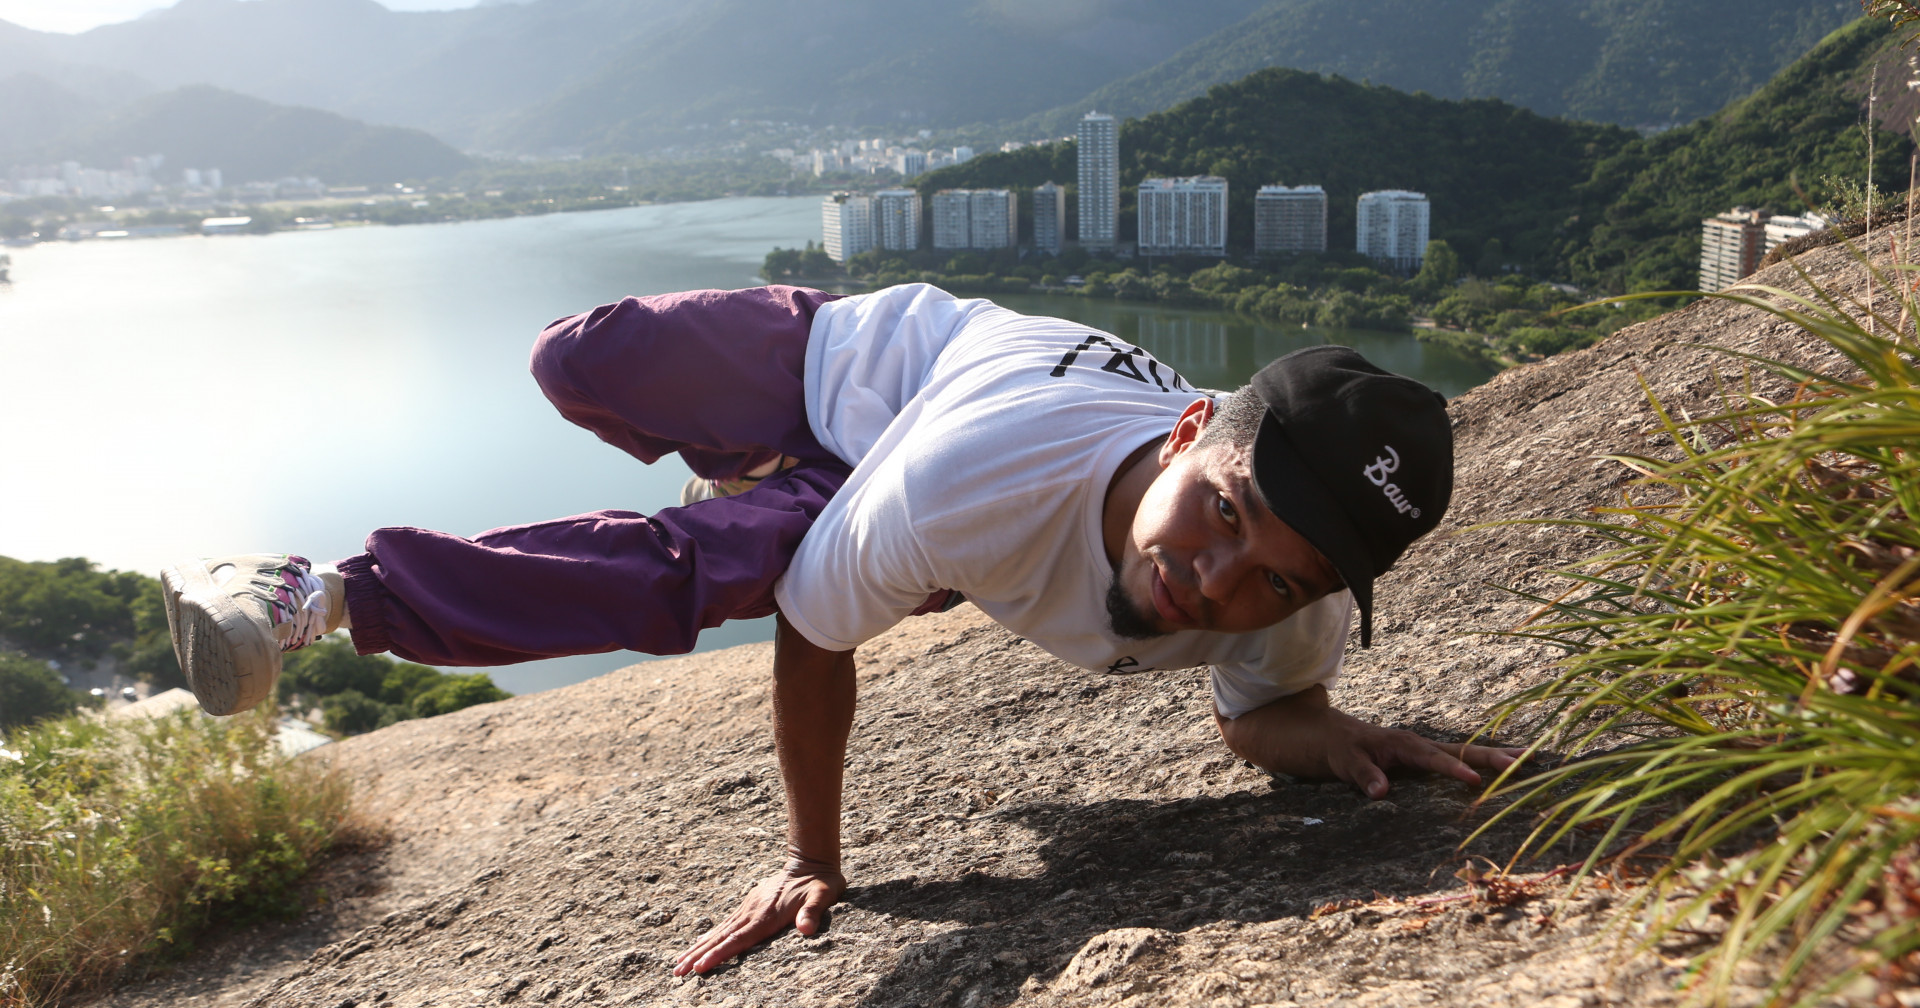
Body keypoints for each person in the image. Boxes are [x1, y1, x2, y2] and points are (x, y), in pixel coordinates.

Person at [159, 283, 1519, 977]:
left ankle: (321, 593)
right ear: (1181, 439)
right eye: (1218, 516)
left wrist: (1331, 731)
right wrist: (817, 843)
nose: (1215, 585)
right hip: (852, 357)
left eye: (1273, 580)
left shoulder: (1286, 603)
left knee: (707, 571)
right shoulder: (989, 481)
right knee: (568, 360)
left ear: (1321, 589)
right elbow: (819, 650)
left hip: (899, 494)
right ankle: (755, 478)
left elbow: (1258, 718)